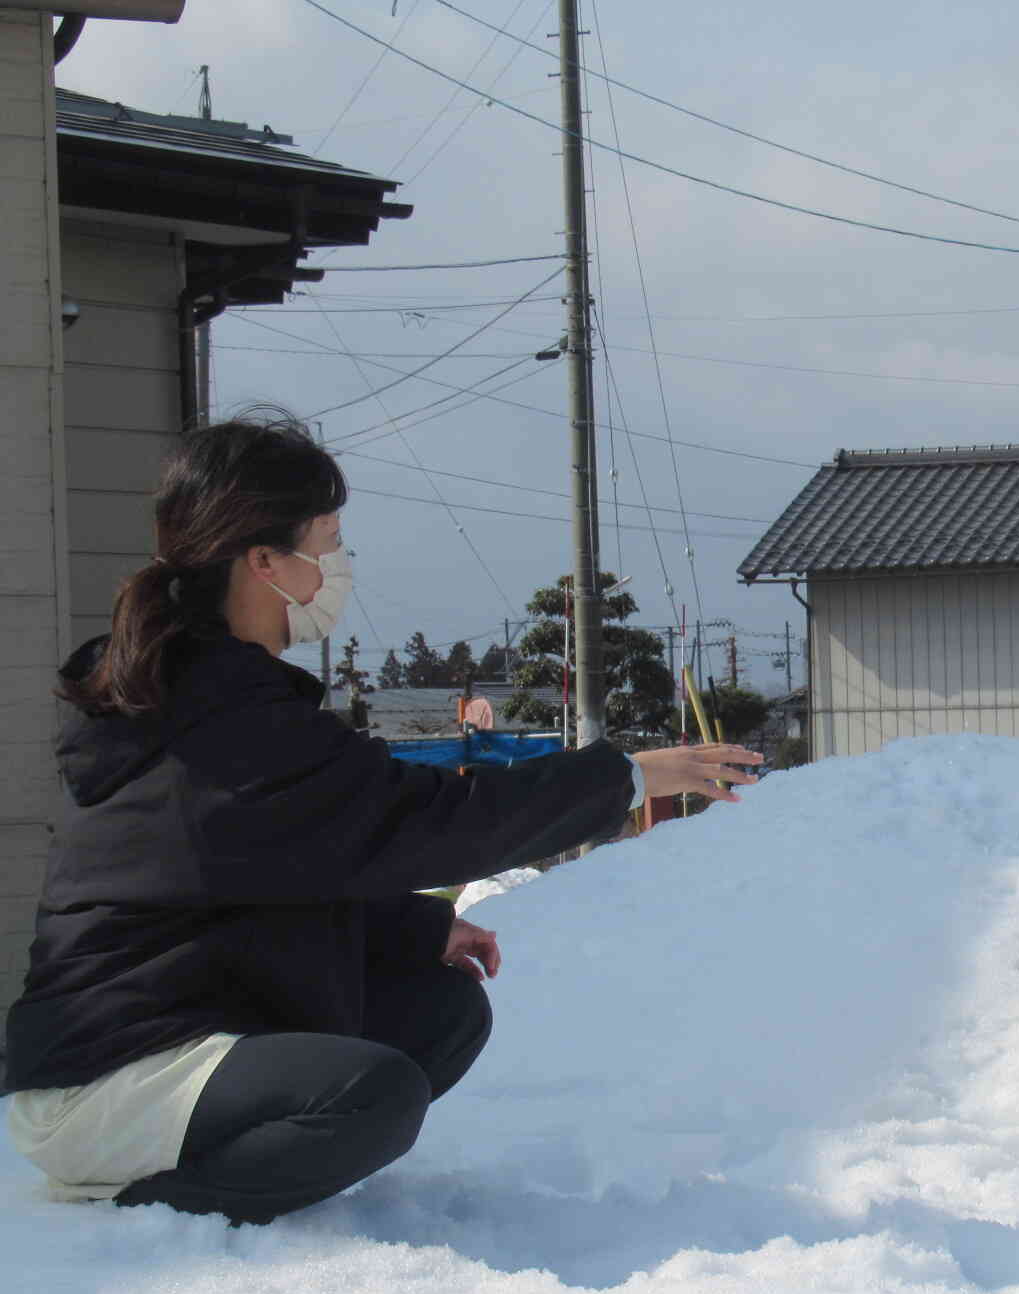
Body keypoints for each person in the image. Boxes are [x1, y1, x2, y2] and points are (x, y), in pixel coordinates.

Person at [1, 413, 763, 1224]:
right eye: (328, 542)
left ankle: (245, 1175)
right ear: (265, 562)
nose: (341, 565)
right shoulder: (224, 718)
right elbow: (425, 819)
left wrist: (411, 932)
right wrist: (622, 779)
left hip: (183, 1023)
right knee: (372, 1095)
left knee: (440, 1012)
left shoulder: (215, 694)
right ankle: (147, 1212)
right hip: (107, 1072)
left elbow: (274, 873)